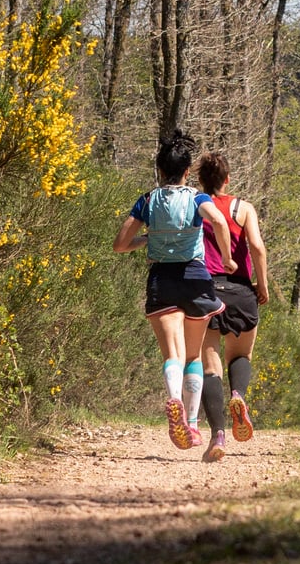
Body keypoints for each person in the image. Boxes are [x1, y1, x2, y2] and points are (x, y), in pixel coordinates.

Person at [113, 129, 232, 462]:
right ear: (186, 171)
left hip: (161, 280)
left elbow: (120, 244)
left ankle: (173, 397)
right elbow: (220, 223)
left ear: (160, 170)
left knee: (173, 355)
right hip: (195, 278)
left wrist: (148, 241)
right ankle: (192, 424)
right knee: (194, 356)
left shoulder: (148, 201)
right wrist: (226, 257)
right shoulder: (197, 199)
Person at [193, 151, 270, 455]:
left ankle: (218, 436)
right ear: (227, 179)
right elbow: (258, 249)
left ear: (201, 180)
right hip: (240, 290)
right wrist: (261, 286)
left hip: (205, 290)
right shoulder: (243, 208)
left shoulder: (197, 206)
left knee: (209, 367)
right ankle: (238, 393)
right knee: (241, 356)